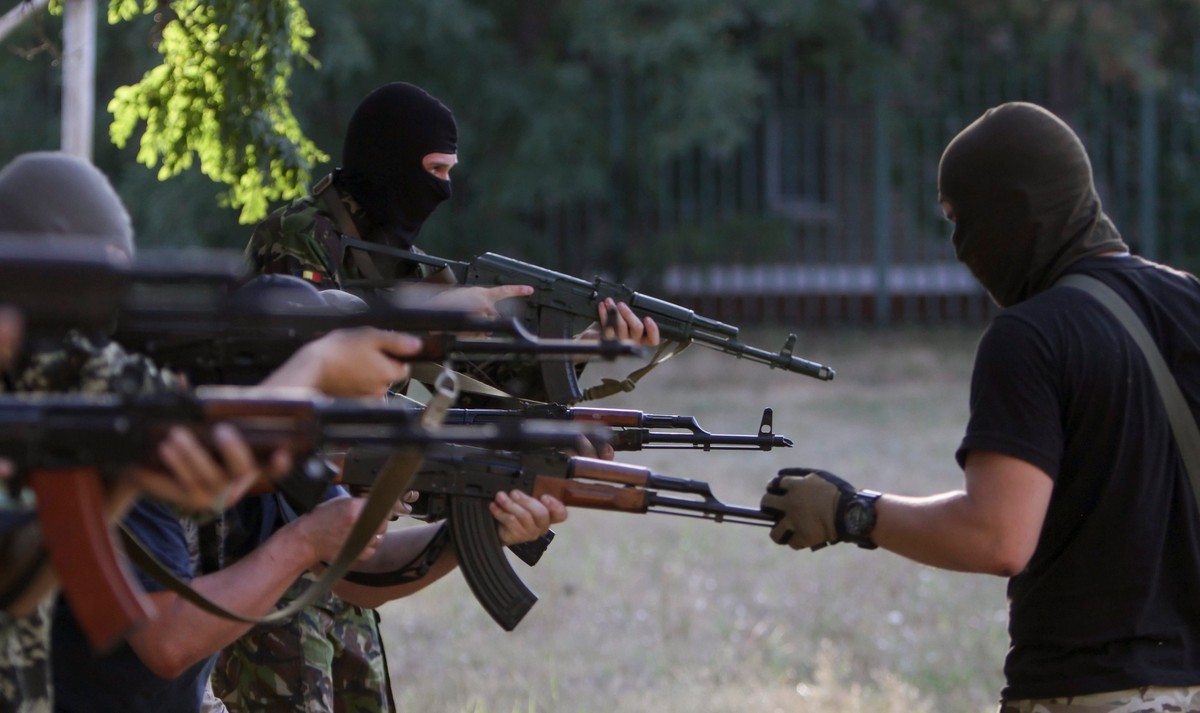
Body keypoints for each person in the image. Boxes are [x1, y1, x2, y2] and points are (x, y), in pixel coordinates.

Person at [218, 80, 648, 712]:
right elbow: (305, 354)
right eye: (434, 170)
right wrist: (429, 320)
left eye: (451, 172)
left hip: (347, 533)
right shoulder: (298, 235)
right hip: (266, 534)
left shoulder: (409, 264)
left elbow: (490, 383)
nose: (444, 190)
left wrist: (580, 350)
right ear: (392, 162)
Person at [760, 101, 1200, 712]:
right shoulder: (1190, 301)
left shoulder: (1032, 336)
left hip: (1095, 691)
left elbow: (997, 536)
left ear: (1013, 210)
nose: (959, 246)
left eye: (959, 217)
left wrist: (851, 512)